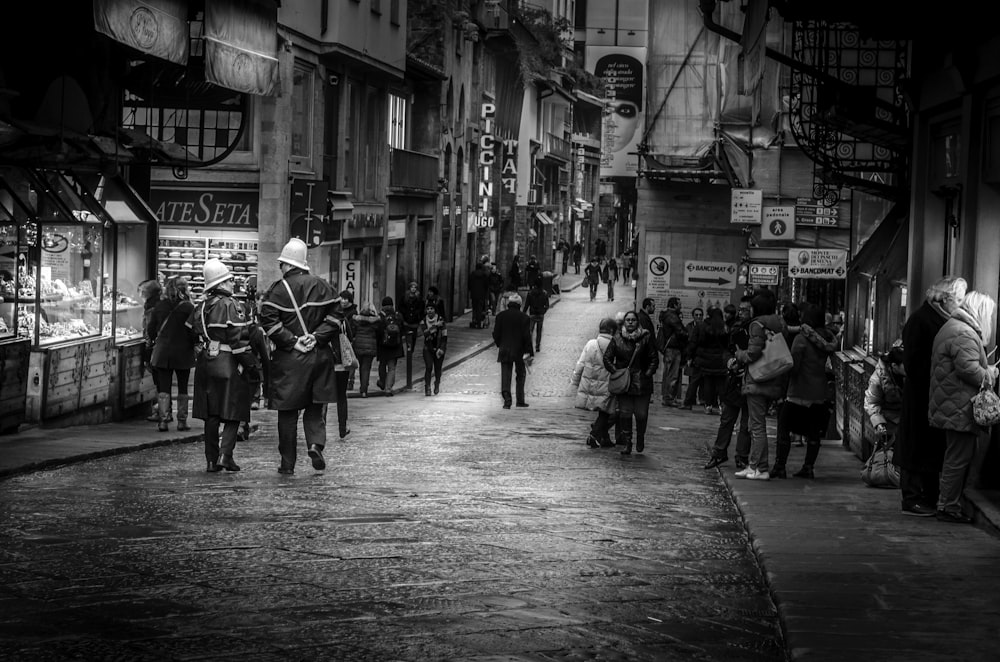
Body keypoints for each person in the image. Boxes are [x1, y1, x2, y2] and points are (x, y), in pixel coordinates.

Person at [259, 238, 342, 475]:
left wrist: (293, 341)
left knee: (288, 414)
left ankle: (287, 464)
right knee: (315, 408)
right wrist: (317, 337)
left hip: (290, 361)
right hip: (319, 356)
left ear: (287, 265)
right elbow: (337, 315)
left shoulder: (278, 289)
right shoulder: (322, 285)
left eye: (281, 264)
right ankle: (316, 444)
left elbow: (268, 322)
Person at [896, 276, 967, 517]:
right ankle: (912, 497)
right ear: (945, 298)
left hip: (933, 394)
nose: (960, 303)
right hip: (920, 394)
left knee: (928, 447)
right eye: (957, 298)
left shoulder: (941, 319)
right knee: (916, 446)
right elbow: (913, 362)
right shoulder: (921, 319)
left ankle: (926, 495)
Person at [928, 291, 998, 524]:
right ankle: (947, 506)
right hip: (959, 405)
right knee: (958, 458)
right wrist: (991, 373)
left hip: (952, 403)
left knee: (955, 456)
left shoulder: (953, 327)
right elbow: (969, 370)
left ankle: (948, 503)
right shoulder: (964, 333)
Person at [186, 259, 258, 473]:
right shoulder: (232, 305)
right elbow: (238, 340)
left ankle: (210, 460)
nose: (232, 283)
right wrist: (251, 365)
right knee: (235, 411)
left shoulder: (200, 306)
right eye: (229, 280)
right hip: (228, 363)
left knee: (211, 414)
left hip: (206, 363)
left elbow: (190, 332)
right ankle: (225, 456)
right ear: (222, 283)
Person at [772, 303, 838, 479]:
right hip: (819, 393)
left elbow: (793, 367)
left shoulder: (801, 339)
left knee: (784, 427)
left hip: (798, 391)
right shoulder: (828, 339)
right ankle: (808, 467)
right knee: (813, 432)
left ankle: (780, 466)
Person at [734, 290, 788, 481]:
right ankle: (758, 466)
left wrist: (739, 355)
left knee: (756, 426)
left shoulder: (757, 324)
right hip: (774, 378)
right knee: (757, 424)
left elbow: (753, 353)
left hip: (757, 380)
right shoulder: (779, 323)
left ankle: (758, 467)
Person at [704, 296, 753, 470]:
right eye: (740, 310)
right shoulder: (735, 328)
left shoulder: (758, 329)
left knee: (746, 424)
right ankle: (719, 452)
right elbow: (726, 350)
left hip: (751, 380)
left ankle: (741, 456)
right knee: (727, 419)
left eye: (745, 310)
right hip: (734, 380)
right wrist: (730, 362)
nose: (741, 313)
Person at [603, 310, 659, 455]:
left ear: (637, 322)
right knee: (625, 414)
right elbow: (607, 358)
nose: (630, 322)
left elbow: (654, 359)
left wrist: (647, 374)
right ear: (624, 322)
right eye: (627, 320)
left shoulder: (646, 337)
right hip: (625, 383)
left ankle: (640, 437)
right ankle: (627, 443)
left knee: (641, 415)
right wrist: (616, 371)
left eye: (633, 320)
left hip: (642, 382)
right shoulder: (617, 338)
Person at [148, 276, 196, 432]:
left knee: (164, 387)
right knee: (183, 387)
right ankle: (182, 421)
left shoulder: (160, 306)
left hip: (163, 352)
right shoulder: (189, 308)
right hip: (183, 352)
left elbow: (151, 330)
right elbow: (194, 331)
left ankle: (163, 420)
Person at [571, 317, 618, 448]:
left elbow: (580, 363)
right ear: (612, 330)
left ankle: (604, 438)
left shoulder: (591, 343)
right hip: (607, 383)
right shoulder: (615, 344)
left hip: (591, 383)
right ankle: (594, 434)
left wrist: (575, 381)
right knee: (607, 411)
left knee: (604, 410)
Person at [864, 342, 906, 458]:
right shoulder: (879, 378)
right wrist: (879, 423)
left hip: (908, 419)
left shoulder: (911, 374)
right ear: (894, 366)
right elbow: (872, 401)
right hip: (889, 421)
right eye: (904, 365)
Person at [492, 292, 534, 409]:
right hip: (519, 350)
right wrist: (529, 352)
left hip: (504, 348)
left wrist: (500, 344)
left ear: (509, 304)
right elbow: (527, 336)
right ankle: (520, 400)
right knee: (520, 374)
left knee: (506, 375)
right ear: (519, 305)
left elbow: (496, 334)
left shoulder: (501, 316)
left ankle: (507, 400)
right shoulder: (524, 318)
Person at [686, 306, 729, 415]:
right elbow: (727, 344)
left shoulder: (702, 326)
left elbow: (694, 343)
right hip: (720, 359)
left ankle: (708, 405)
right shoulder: (724, 327)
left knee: (708, 383)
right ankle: (722, 405)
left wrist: (690, 356)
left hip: (705, 359)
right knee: (720, 384)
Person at [139, 278, 166, 424]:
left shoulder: (152, 307)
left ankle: (161, 413)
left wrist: (148, 349)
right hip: (162, 346)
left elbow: (150, 328)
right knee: (162, 381)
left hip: (155, 348)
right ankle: (165, 412)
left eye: (142, 291)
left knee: (159, 381)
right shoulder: (161, 303)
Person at [657, 297, 686, 406]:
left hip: (668, 348)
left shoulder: (665, 316)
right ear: (674, 305)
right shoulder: (672, 317)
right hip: (673, 348)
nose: (680, 307)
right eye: (679, 304)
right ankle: (668, 398)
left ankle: (667, 397)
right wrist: (686, 334)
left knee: (668, 373)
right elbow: (680, 332)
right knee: (672, 374)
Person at [350, 301, 381, 398]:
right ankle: (364, 389)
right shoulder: (375, 321)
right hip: (370, 346)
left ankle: (362, 388)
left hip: (358, 345)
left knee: (361, 366)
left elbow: (353, 331)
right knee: (366, 368)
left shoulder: (357, 320)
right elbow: (379, 332)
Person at [678, 307, 706, 410]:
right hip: (691, 356)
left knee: (702, 381)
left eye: (700, 315)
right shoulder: (689, 327)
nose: (698, 317)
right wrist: (688, 355)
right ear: (693, 316)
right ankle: (691, 400)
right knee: (692, 380)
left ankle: (702, 399)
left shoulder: (705, 327)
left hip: (701, 357)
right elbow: (686, 342)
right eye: (696, 315)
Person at [376, 296, 405, 395]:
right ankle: (388, 389)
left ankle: (383, 383)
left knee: (382, 365)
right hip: (395, 347)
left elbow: (378, 331)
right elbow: (402, 330)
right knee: (392, 368)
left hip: (383, 346)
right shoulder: (398, 316)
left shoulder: (380, 316)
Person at [418, 302, 448, 395]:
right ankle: (427, 387)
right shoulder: (423, 321)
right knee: (429, 367)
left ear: (435, 310)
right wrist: (436, 326)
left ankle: (437, 383)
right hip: (428, 348)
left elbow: (444, 336)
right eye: (428, 309)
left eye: (431, 309)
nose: (429, 311)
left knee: (438, 369)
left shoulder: (441, 320)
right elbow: (425, 333)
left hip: (439, 347)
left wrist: (442, 348)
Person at [525, 278, 550, 353]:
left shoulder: (530, 293)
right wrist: (543, 311)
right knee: (539, 331)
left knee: (530, 331)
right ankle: (537, 346)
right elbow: (547, 305)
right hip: (540, 314)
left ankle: (529, 346)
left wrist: (523, 313)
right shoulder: (544, 293)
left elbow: (527, 305)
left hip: (532, 314)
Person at [400, 281, 424, 352]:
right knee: (407, 336)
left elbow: (421, 308)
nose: (413, 289)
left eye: (415, 287)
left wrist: (418, 315)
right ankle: (408, 349)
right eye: (412, 287)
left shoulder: (419, 298)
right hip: (406, 320)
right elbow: (401, 307)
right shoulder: (405, 297)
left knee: (413, 337)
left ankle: (411, 350)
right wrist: (405, 314)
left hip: (415, 321)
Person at [469, 257, 491, 329]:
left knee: (474, 308)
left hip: (474, 294)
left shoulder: (472, 274)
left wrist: (471, 290)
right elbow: (486, 285)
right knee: (480, 308)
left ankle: (474, 321)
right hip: (481, 294)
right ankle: (479, 323)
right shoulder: (484, 275)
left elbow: (470, 284)